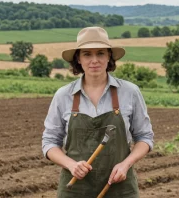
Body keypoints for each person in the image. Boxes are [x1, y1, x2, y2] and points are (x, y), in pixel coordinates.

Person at [42, 26, 154, 198]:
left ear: (109, 56)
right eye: (87, 54)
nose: (94, 60)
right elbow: (49, 142)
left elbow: (145, 137)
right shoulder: (63, 95)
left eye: (100, 53)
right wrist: (71, 165)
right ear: (78, 59)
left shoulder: (130, 92)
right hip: (75, 189)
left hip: (120, 188)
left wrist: (125, 164)